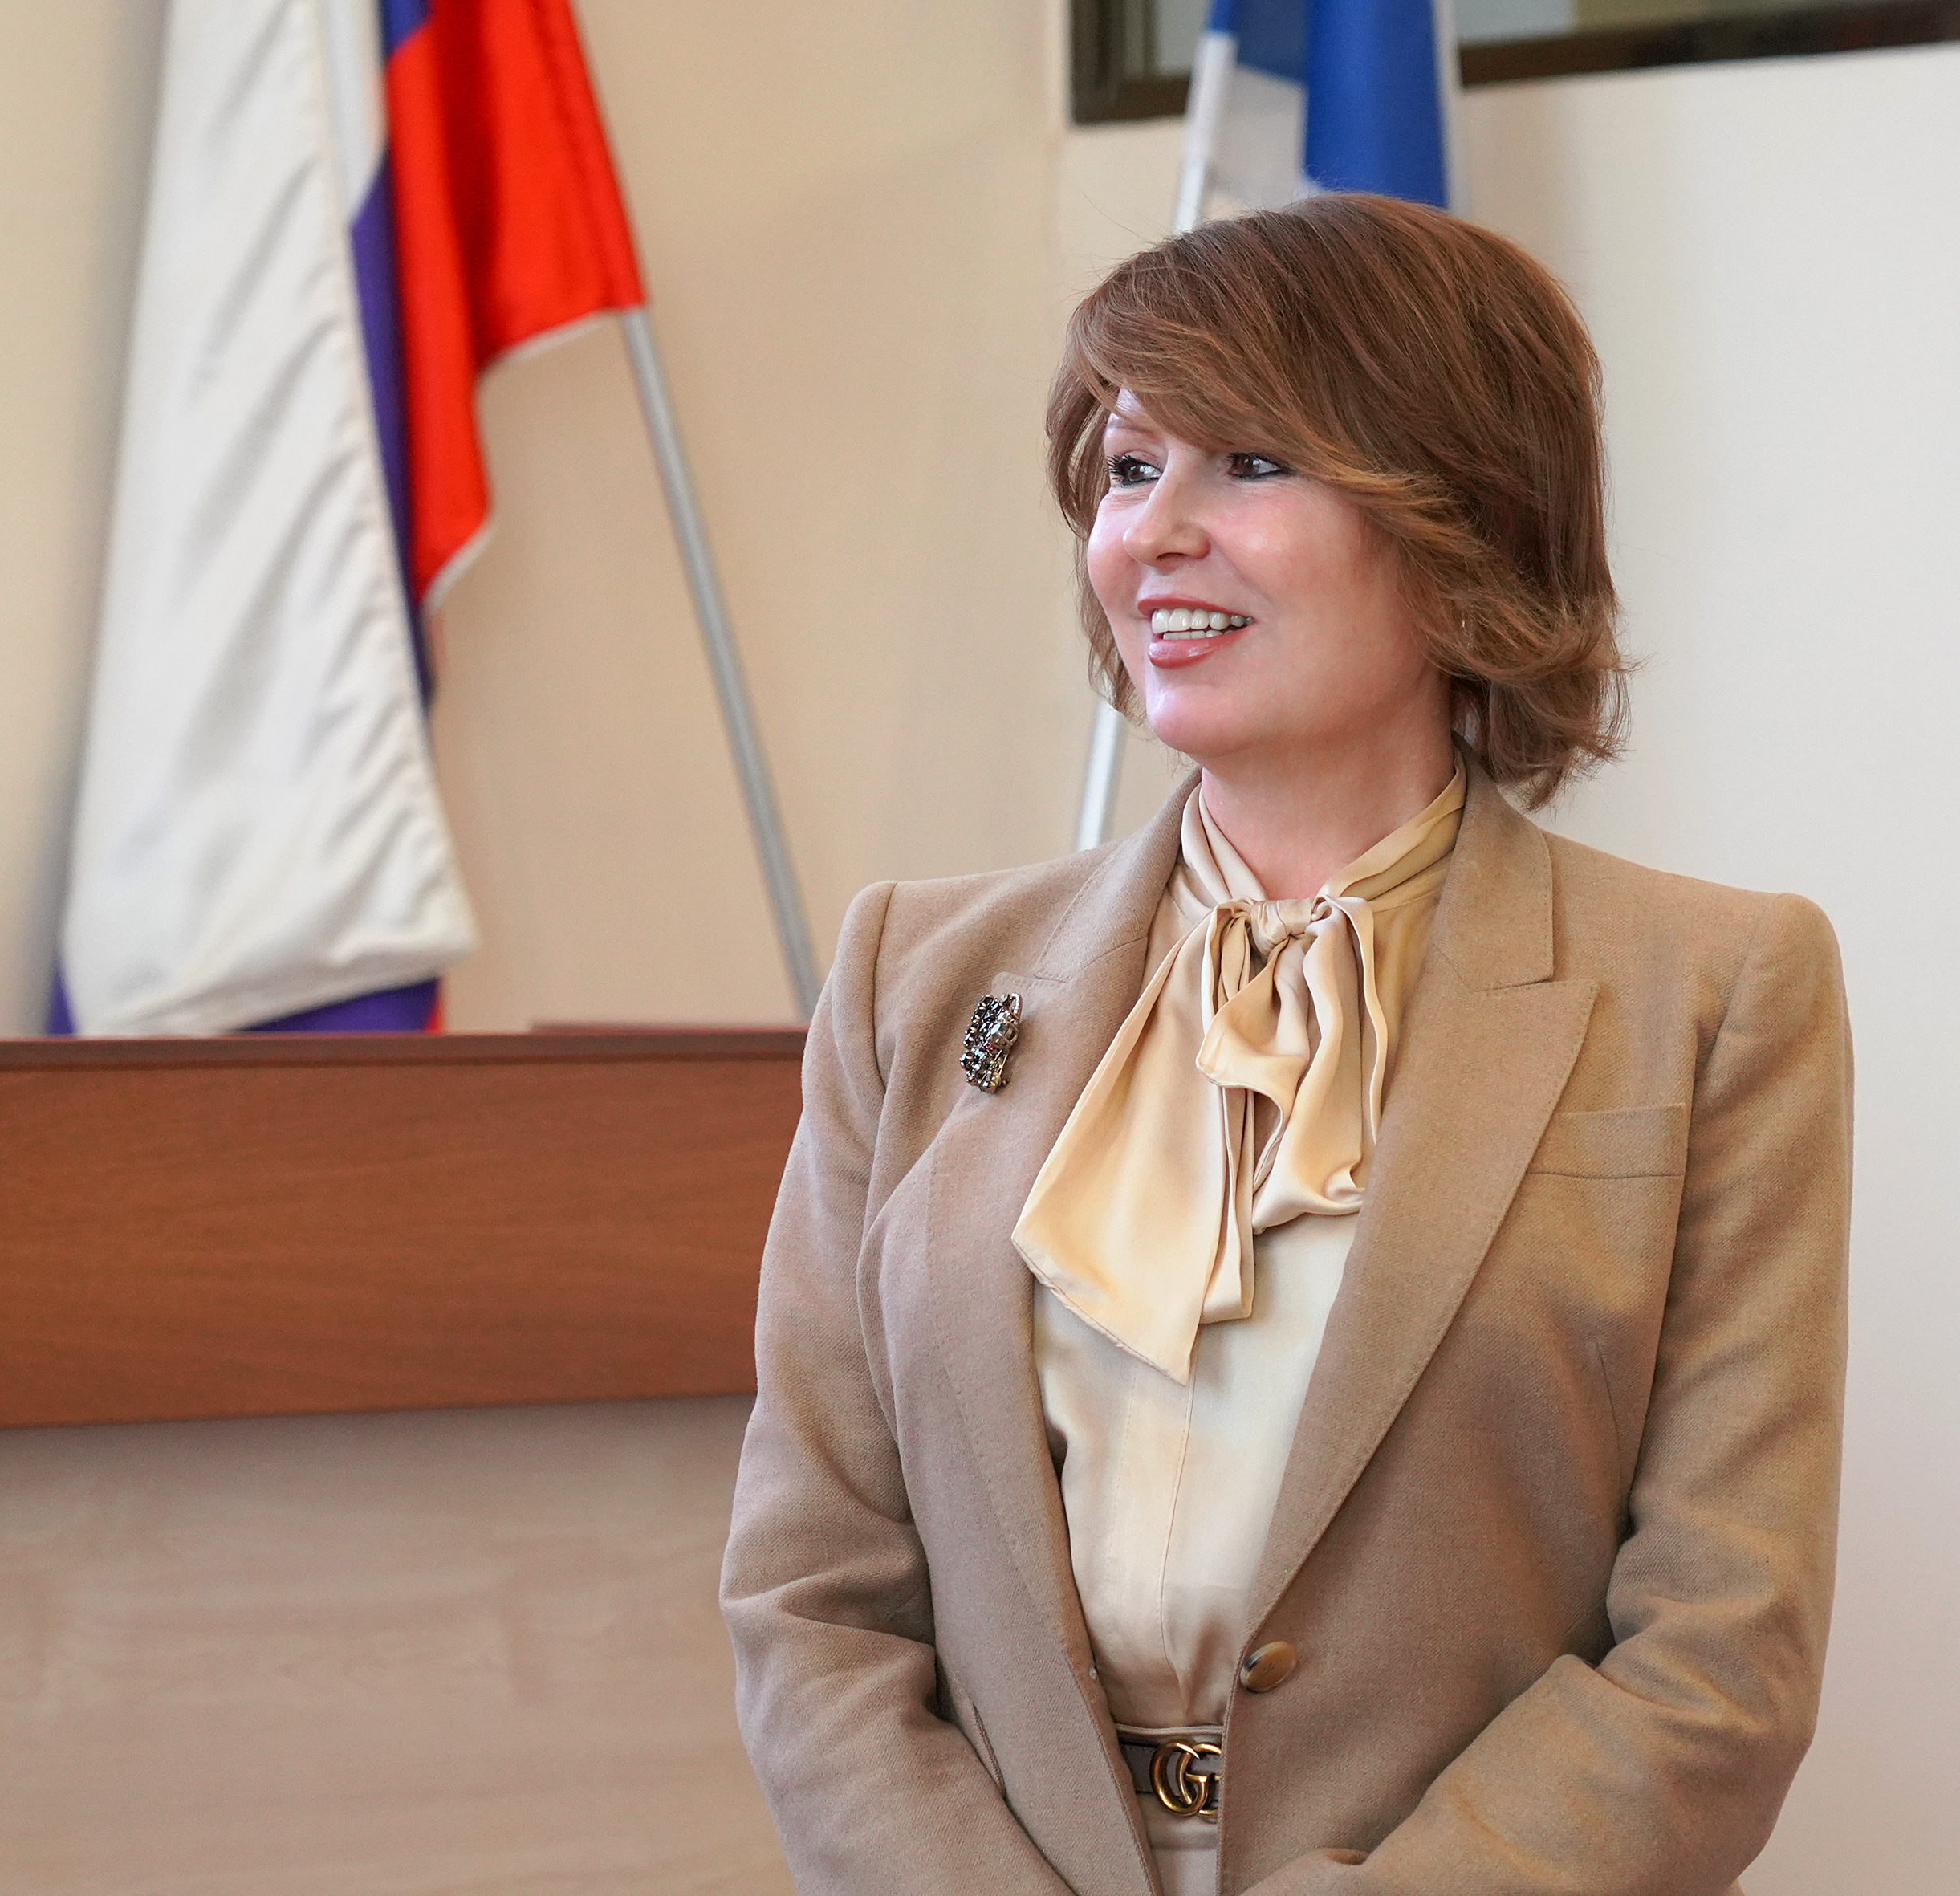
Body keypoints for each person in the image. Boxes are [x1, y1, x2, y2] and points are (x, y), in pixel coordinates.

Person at [720, 195, 1851, 1896]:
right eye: (1127, 468)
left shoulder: (1715, 989)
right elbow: (811, 1596)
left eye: (1248, 462)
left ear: (1458, 517)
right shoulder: (912, 975)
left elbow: (1719, 1650)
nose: (1151, 534)